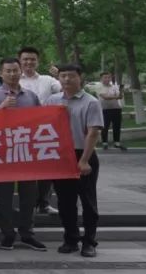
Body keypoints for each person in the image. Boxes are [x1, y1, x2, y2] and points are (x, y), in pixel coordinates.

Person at [0, 57, 46, 251]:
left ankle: (27, 233)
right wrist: (2, 108)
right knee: (5, 197)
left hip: (26, 151)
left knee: (29, 195)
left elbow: (41, 121)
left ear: (21, 72)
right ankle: (8, 234)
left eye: (15, 70)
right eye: (8, 71)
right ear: (0, 74)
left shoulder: (31, 96)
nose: (12, 74)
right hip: (3, 153)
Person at [46, 63, 103, 258]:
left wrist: (84, 160)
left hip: (83, 154)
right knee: (65, 202)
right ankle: (71, 239)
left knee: (88, 201)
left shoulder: (91, 102)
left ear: (80, 78)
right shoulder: (52, 100)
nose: (67, 79)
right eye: (63, 76)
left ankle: (89, 242)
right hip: (61, 156)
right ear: (58, 78)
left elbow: (93, 133)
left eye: (71, 75)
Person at [17, 46, 61, 216]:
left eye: (32, 59)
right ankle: (26, 204)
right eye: (25, 59)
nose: (29, 62)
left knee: (46, 168)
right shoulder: (14, 79)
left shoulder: (48, 80)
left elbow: (66, 89)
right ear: (20, 61)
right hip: (21, 131)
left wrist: (59, 75)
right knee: (24, 169)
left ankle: (44, 203)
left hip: (44, 131)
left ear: (38, 61)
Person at [97, 72, 125, 150]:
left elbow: (120, 96)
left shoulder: (114, 86)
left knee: (117, 126)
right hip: (105, 109)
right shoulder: (99, 87)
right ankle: (105, 143)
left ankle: (117, 142)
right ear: (101, 79)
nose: (107, 79)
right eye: (105, 77)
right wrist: (116, 96)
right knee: (105, 126)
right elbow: (105, 97)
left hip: (116, 108)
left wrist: (121, 90)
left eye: (109, 77)